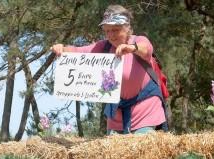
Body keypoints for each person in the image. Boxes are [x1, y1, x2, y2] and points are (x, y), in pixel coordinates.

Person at [51, 4, 167, 135]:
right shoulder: (104, 47)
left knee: (141, 149)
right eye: (107, 31)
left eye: (115, 30)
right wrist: (62, 49)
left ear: (127, 28)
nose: (111, 35)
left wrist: (131, 48)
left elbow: (146, 48)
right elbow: (79, 51)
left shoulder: (138, 40)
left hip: (145, 109)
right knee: (113, 152)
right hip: (116, 114)